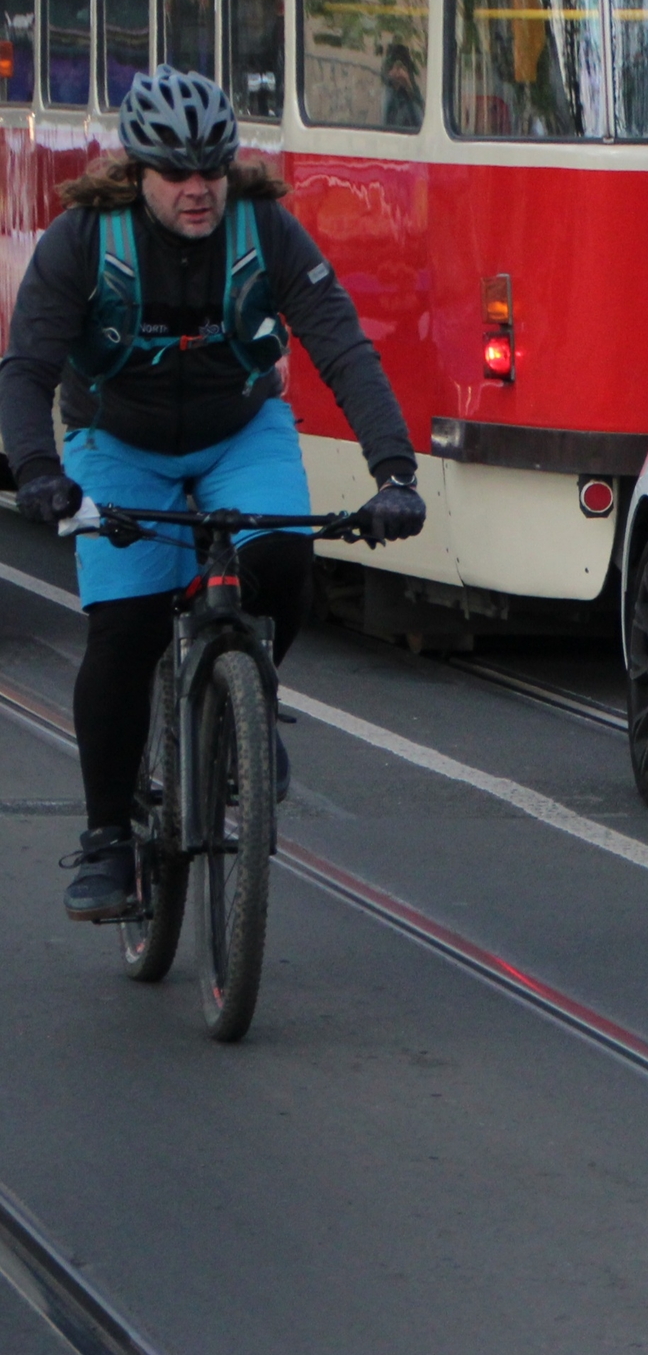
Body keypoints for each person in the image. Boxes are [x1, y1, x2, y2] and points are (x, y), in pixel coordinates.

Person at [1, 68, 428, 922]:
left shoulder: (266, 229)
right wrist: (38, 473)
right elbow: (26, 369)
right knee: (123, 628)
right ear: (138, 172)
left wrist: (395, 473)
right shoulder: (83, 240)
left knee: (282, 558)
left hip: (239, 430)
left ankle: (249, 698)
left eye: (213, 171)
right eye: (177, 174)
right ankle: (107, 842)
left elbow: (343, 347)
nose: (197, 191)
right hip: (115, 439)